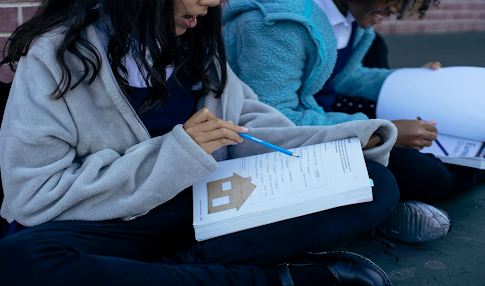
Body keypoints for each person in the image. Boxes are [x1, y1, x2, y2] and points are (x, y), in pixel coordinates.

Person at [0, 0, 402, 285]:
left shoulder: (197, 44)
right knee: (19, 261)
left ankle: (166, 272)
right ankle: (263, 278)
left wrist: (341, 140)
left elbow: (249, 126)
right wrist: (177, 153)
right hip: (111, 223)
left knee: (374, 182)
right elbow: (33, 195)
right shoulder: (58, 57)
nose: (212, 2)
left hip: (209, 205)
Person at [221, 0, 481, 244]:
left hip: (319, 113)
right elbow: (273, 121)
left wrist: (410, 80)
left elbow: (345, 77)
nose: (398, 9)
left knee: (423, 141)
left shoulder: (351, 17)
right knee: (422, 172)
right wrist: (381, 132)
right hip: (278, 139)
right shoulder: (278, 25)